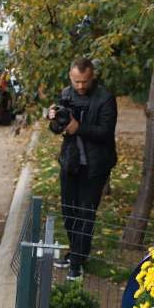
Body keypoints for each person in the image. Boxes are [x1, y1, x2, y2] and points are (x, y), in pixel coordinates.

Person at [47, 58, 117, 281]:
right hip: (70, 161)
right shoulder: (66, 94)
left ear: (92, 76)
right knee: (68, 212)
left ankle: (77, 261)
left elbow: (106, 132)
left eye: (84, 82)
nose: (80, 86)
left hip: (95, 165)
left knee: (85, 213)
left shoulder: (105, 98)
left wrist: (80, 128)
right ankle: (75, 252)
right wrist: (53, 120)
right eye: (76, 81)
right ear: (70, 76)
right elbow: (57, 128)